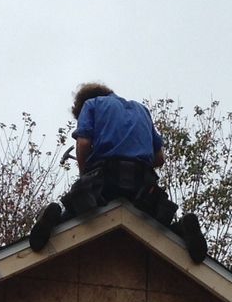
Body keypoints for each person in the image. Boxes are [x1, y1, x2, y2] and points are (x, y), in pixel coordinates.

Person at [28, 83, 207, 260]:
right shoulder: (142, 110)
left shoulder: (91, 105)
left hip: (105, 180)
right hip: (142, 184)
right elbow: (159, 158)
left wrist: (84, 174)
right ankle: (183, 228)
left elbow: (83, 143)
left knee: (76, 215)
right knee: (156, 224)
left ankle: (54, 219)